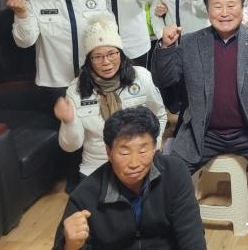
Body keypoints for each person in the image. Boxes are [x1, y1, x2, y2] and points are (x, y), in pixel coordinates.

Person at [153, 0, 248, 249]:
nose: (225, 12)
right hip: (203, 133)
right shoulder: (190, 42)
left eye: (231, 5)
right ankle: (174, 230)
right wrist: (166, 48)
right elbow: (164, 78)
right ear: (207, 9)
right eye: (217, 6)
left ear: (243, 7)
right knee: (166, 172)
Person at [53, 107, 206, 250]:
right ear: (109, 152)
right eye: (125, 153)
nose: (134, 163)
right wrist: (70, 245)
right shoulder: (84, 196)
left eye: (143, 151)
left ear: (154, 147)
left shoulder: (174, 173)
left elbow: (192, 237)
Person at [54, 17, 166, 177]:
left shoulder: (142, 77)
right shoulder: (76, 90)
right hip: (97, 165)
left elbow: (159, 115)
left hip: (138, 161)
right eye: (97, 56)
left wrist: (151, 149)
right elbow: (70, 147)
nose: (106, 62)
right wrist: (69, 122)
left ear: (121, 54)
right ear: (89, 60)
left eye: (112, 54)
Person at [7, 0, 111, 108]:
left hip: (94, 78)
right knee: (62, 124)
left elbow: (109, 35)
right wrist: (22, 14)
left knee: (96, 121)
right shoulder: (35, 2)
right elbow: (25, 42)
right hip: (55, 84)